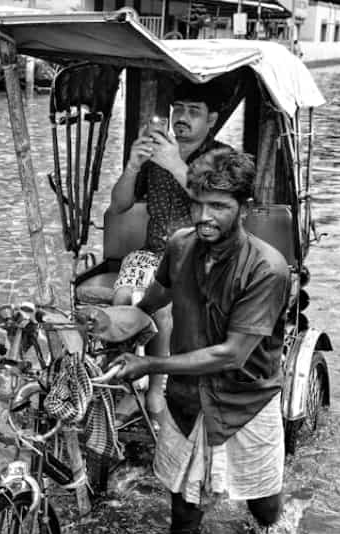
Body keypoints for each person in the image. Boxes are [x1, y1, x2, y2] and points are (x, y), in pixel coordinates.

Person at [107, 147, 296, 534]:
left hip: (245, 399)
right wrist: (123, 325)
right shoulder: (180, 245)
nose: (204, 216)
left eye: (219, 206)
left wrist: (150, 364)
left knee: (264, 509)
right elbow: (156, 297)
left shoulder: (267, 268)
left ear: (244, 208)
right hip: (186, 398)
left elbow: (231, 354)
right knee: (182, 514)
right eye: (198, 204)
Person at [103, 80, 232, 415]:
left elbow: (217, 204)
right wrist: (133, 165)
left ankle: (156, 389)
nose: (183, 118)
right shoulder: (155, 157)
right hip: (151, 253)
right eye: (179, 110)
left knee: (162, 306)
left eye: (194, 111)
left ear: (211, 119)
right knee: (121, 299)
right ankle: (123, 381)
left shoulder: (222, 158)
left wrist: (175, 163)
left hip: (201, 256)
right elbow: (118, 206)